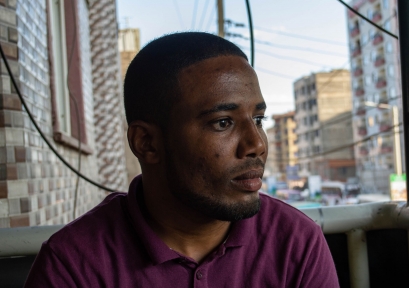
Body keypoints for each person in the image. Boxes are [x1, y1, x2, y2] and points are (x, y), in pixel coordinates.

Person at [25, 32, 339, 287]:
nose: (256, 144)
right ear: (146, 143)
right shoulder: (73, 264)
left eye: (257, 119)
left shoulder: (296, 242)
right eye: (223, 122)